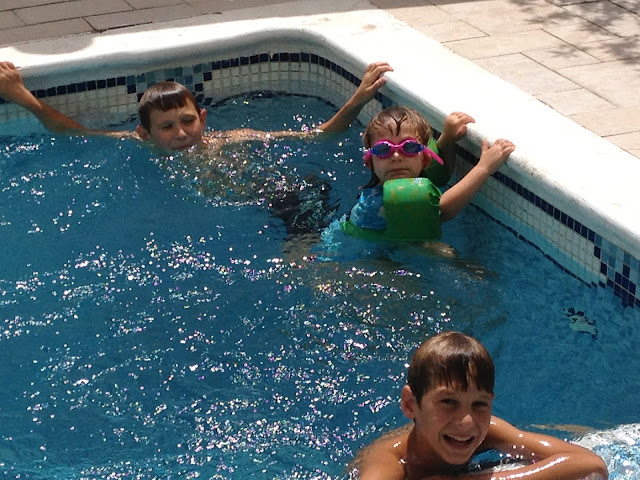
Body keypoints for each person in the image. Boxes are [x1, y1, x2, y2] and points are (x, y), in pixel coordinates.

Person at [350, 331, 609, 480]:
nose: (467, 421)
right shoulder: (390, 463)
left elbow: (589, 462)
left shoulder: (489, 430)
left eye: (479, 404)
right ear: (410, 404)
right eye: (448, 401)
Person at [0, 60, 393, 152]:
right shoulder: (137, 145)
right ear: (144, 133)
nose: (181, 133)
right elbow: (74, 131)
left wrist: (358, 97)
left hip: (268, 198)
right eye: (167, 126)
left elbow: (318, 136)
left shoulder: (232, 140)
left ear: (202, 118)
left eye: (188, 120)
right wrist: (22, 96)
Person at [341, 106, 516, 243]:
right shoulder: (378, 203)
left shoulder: (412, 177)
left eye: (409, 147)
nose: (396, 156)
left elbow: (441, 174)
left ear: (425, 160)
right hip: (373, 255)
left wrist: (448, 137)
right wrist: (484, 168)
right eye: (383, 149)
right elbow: (442, 211)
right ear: (370, 163)